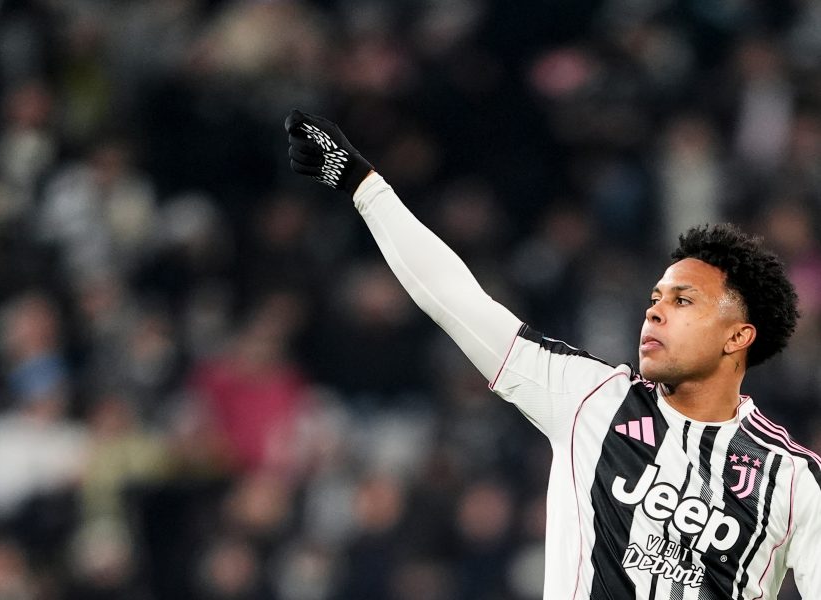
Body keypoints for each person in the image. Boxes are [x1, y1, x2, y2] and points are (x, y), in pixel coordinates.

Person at [283, 109, 821, 599]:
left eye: (683, 301)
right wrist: (364, 187)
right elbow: (458, 300)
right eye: (655, 299)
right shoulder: (591, 398)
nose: (655, 313)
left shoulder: (795, 479)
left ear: (737, 337)